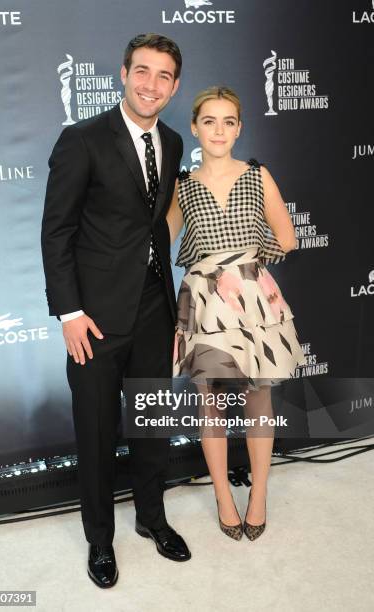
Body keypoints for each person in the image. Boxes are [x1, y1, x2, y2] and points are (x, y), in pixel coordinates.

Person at [41, 33, 191, 590]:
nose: (151, 85)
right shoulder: (81, 140)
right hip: (95, 317)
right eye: (143, 72)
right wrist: (69, 313)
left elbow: (155, 230)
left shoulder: (172, 142)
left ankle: (153, 519)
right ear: (123, 74)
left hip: (154, 307)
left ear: (174, 88)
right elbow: (56, 231)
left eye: (164, 77)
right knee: (98, 431)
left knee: (151, 422)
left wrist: (174, 312)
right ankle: (99, 541)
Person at [167, 86, 306, 542]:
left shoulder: (256, 174)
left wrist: (244, 266)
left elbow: (287, 238)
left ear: (240, 128)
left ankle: (259, 494)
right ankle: (224, 497)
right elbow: (159, 240)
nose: (219, 130)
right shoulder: (182, 186)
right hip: (205, 302)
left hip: (250, 300)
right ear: (195, 127)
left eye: (229, 121)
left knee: (258, 400)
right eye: (209, 121)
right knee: (211, 404)